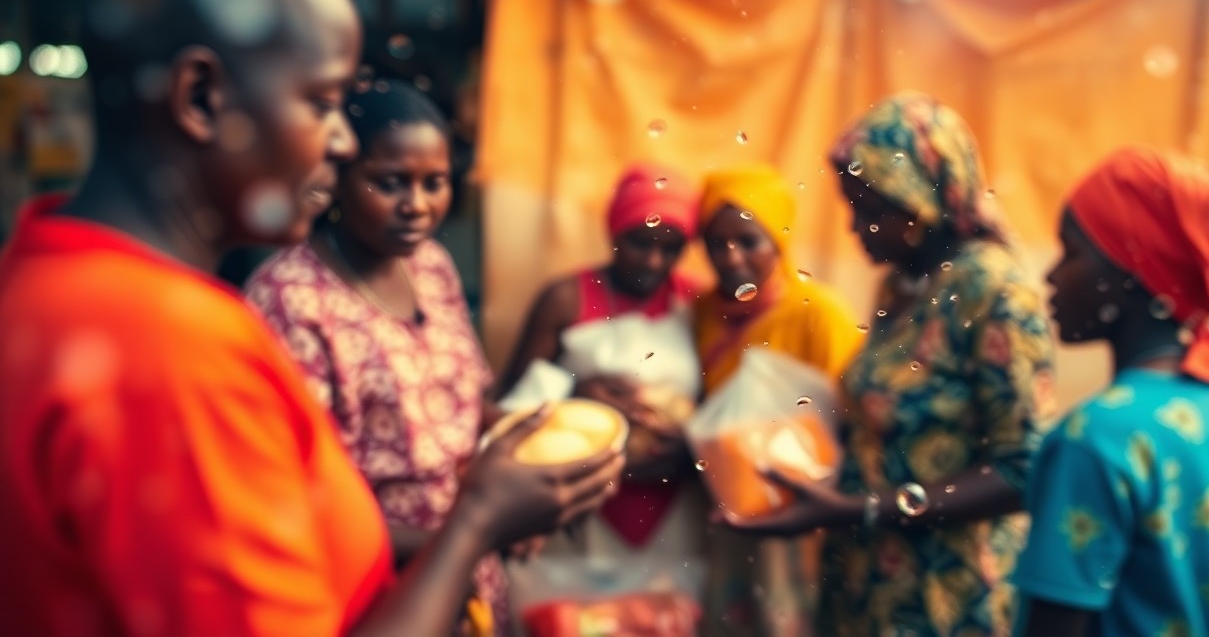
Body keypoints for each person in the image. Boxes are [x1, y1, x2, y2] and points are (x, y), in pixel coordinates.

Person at [0, 0, 622, 637]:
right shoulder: (172, 348)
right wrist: (476, 524)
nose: (340, 141)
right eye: (321, 102)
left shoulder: (44, 278)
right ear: (202, 98)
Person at [723, 93, 1056, 637]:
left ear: (924, 200)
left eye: (874, 212)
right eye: (852, 207)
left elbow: (1023, 470)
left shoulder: (993, 291)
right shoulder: (901, 285)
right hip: (865, 583)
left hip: (946, 596)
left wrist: (863, 510)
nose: (857, 229)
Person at [244, 80, 507, 633]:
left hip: (468, 564)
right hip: (376, 589)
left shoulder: (432, 266)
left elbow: (466, 402)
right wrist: (477, 529)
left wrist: (525, 457)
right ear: (337, 180)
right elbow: (303, 503)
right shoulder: (291, 300)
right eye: (390, 184)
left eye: (434, 183)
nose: (417, 205)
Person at [1014, 146, 1209, 637]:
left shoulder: (1095, 438)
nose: (1051, 275)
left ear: (1133, 271)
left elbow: (1055, 624)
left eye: (1072, 253)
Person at [692, 164, 865, 637]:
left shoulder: (817, 314)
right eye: (715, 242)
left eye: (749, 241)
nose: (730, 258)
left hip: (804, 510)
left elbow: (849, 416)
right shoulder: (704, 313)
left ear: (780, 241)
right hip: (728, 505)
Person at [499, 163, 700, 543]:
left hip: (674, 510)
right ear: (615, 232)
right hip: (577, 506)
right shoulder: (565, 298)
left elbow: (715, 400)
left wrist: (690, 446)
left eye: (671, 248)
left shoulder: (694, 303)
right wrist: (575, 397)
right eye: (640, 242)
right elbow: (509, 408)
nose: (654, 261)